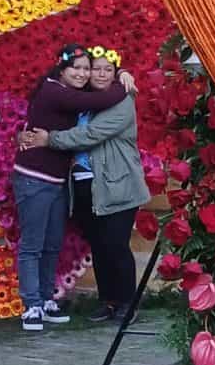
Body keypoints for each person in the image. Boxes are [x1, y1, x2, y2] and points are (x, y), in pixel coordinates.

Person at [21, 46, 149, 325]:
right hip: (84, 188)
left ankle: (127, 302)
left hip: (117, 185)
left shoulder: (121, 101)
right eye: (96, 68)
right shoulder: (83, 99)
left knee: (116, 245)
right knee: (100, 246)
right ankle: (108, 302)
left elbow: (91, 134)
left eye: (108, 69)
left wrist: (50, 139)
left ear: (115, 73)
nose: (99, 74)